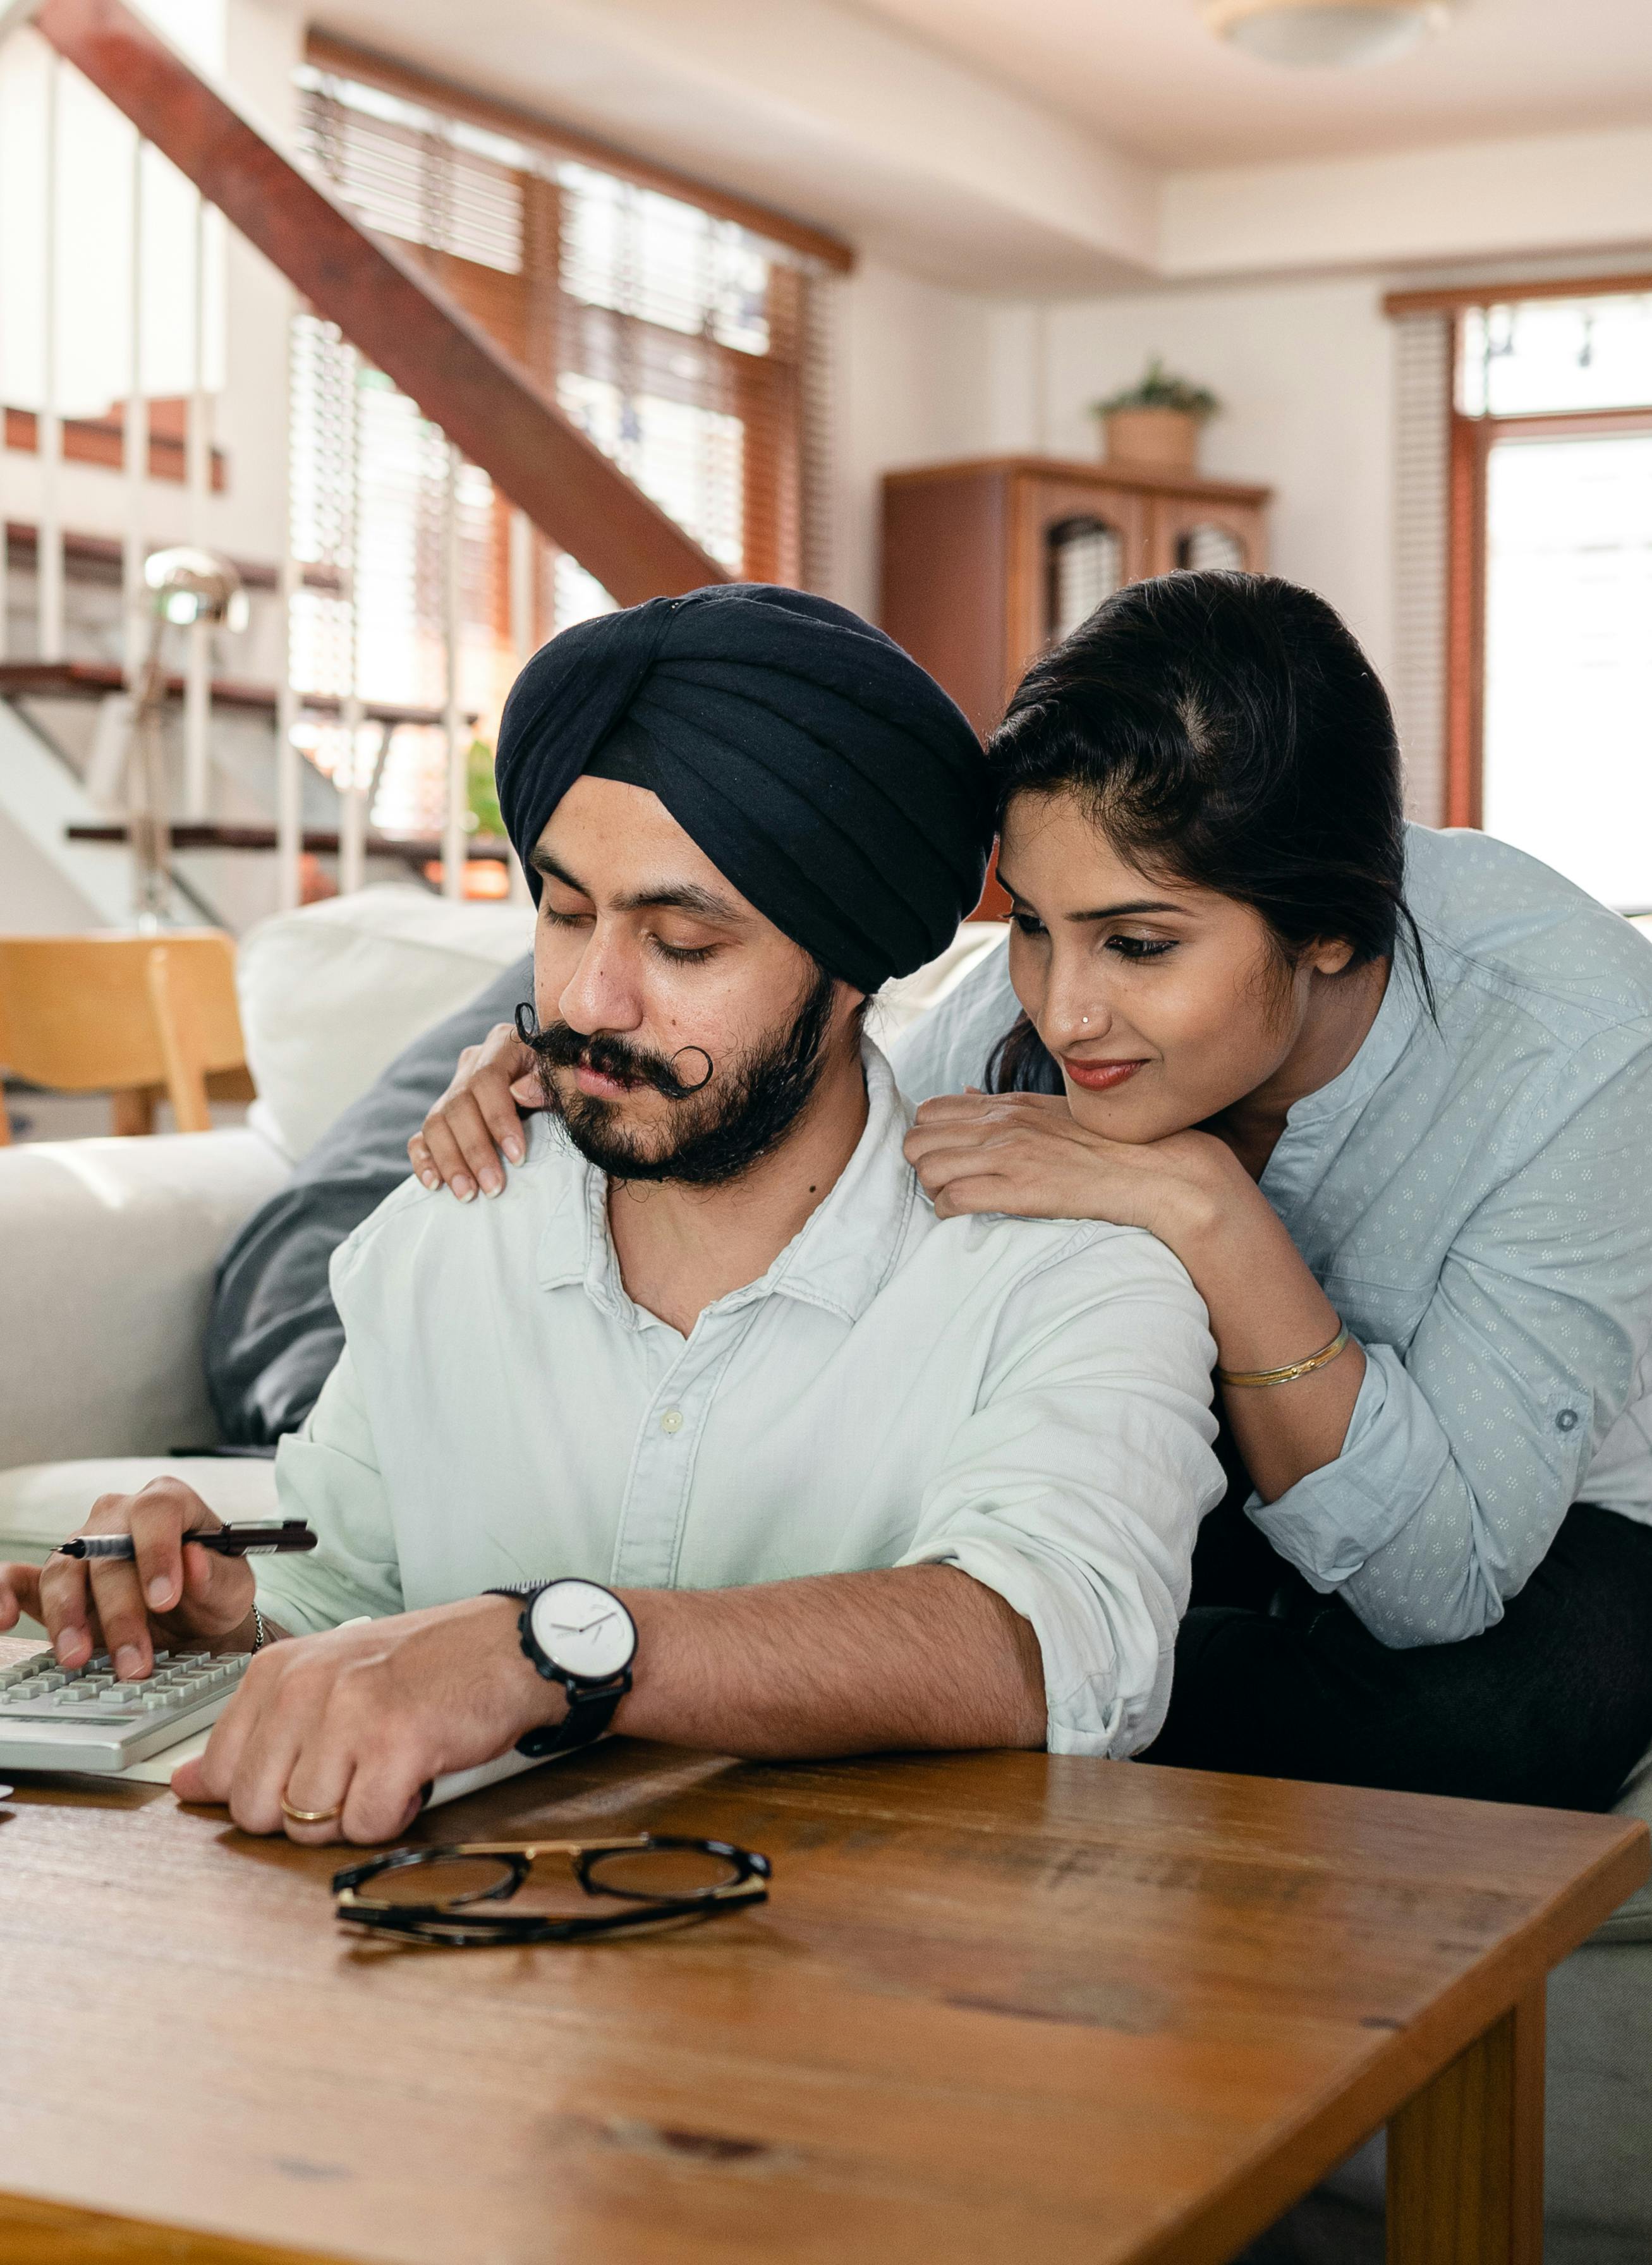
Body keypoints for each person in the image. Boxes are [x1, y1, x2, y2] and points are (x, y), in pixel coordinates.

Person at [0, 584, 1222, 1845]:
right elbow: (347, 1578)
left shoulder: (1070, 1275)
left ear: (851, 967)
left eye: (682, 943)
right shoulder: (457, 1220)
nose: (592, 998)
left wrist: (550, 1647)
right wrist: (222, 1608)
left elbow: (1058, 1644)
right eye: (565, 912)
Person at [419, 572, 1652, 1814]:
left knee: (1499, 1725)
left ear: (1328, 927)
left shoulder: (1579, 1043)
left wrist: (1206, 1208)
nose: (1061, 1012)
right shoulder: (1016, 1018)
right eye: (1030, 927)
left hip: (1527, 1519)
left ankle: (1070, 1695)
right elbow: (823, 1160)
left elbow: (1437, 1582)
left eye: (1139, 944)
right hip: (1192, 1463)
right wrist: (590, 1073)